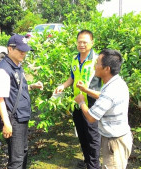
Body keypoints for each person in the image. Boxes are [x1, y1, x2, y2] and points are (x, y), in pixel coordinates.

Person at [74, 49, 133, 169]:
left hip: (114, 143)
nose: (95, 66)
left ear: (107, 69)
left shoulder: (111, 90)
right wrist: (86, 90)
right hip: (118, 138)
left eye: (97, 64)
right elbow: (104, 97)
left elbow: (91, 118)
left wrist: (81, 102)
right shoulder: (116, 82)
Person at [0, 34, 43, 169]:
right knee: (16, 159)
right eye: (20, 50)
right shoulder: (3, 70)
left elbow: (15, 89)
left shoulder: (17, 66)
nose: (23, 53)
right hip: (14, 119)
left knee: (23, 152)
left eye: (25, 50)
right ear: (10, 49)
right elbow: (0, 99)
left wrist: (32, 86)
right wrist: (7, 124)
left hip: (22, 116)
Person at [54, 30, 102, 168]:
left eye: (85, 42)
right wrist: (63, 85)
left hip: (92, 105)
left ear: (92, 43)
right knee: (82, 135)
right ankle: (87, 161)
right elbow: (72, 77)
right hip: (77, 103)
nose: (82, 44)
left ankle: (94, 165)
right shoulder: (75, 59)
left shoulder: (97, 60)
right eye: (79, 42)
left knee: (92, 137)